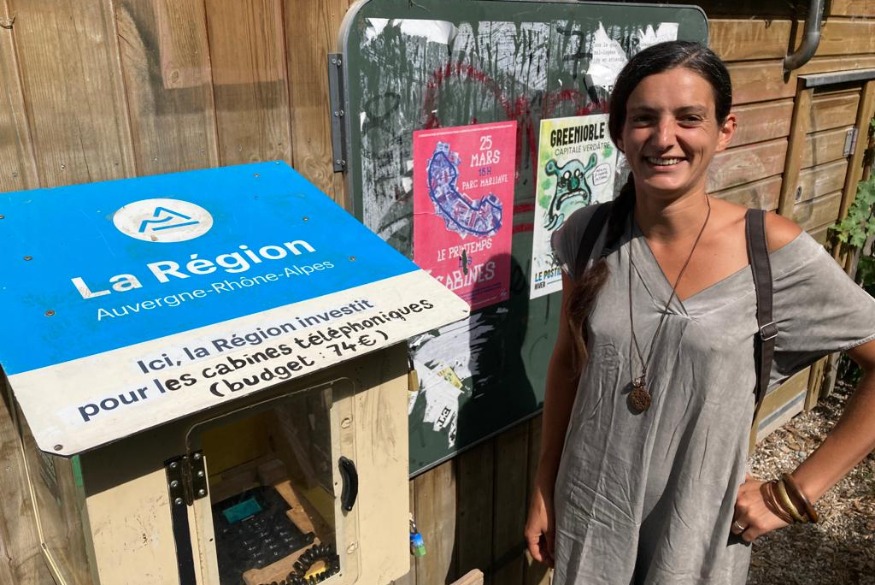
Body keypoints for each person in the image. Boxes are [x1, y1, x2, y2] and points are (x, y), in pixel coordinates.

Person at [524, 40, 875, 584]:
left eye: (689, 118)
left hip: (694, 530)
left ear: (724, 130)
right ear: (620, 132)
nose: (664, 138)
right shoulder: (586, 235)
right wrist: (545, 483)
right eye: (644, 118)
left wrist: (794, 494)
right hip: (593, 512)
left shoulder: (769, 252)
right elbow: (571, 359)